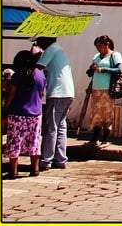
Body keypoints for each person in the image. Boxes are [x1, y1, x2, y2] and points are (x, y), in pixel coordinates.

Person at [2, 50, 46, 178]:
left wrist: (5, 109)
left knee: (15, 141)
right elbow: (42, 93)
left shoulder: (18, 75)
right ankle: (35, 169)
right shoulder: (40, 75)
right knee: (35, 141)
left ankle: (13, 171)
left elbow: (11, 94)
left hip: (18, 113)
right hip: (36, 114)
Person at [34, 37, 74, 170]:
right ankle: (61, 159)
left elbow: (37, 68)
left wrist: (34, 55)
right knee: (61, 126)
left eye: (38, 41)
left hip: (57, 93)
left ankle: (46, 160)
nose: (38, 44)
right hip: (68, 93)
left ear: (46, 40)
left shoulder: (51, 50)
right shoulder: (58, 49)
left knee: (51, 127)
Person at [84, 35, 122, 146]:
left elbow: (119, 70)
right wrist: (92, 69)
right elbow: (90, 73)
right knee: (96, 115)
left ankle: (105, 139)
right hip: (96, 89)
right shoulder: (96, 56)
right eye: (97, 47)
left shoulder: (115, 55)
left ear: (107, 44)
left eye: (100, 46)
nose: (98, 49)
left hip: (107, 89)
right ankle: (95, 138)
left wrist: (102, 69)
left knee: (106, 114)